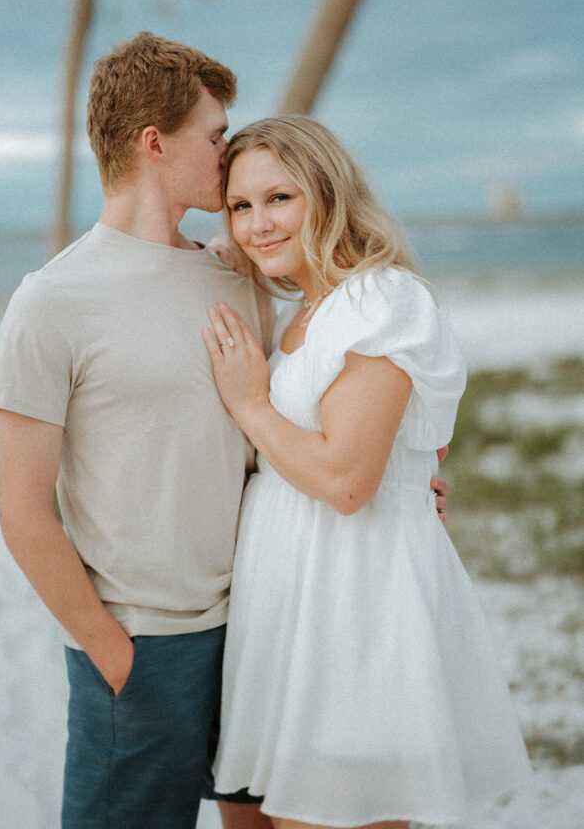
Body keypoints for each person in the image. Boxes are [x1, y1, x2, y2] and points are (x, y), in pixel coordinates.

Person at [0, 33, 449, 829]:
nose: (226, 151)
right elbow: (24, 512)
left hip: (266, 628)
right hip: (144, 650)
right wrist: (113, 655)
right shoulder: (51, 301)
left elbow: (324, 401)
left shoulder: (237, 276)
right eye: (214, 134)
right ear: (154, 144)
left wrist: (411, 476)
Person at [203, 116, 533, 829]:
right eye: (239, 206)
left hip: (352, 608)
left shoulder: (380, 300)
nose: (257, 224)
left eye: (279, 199)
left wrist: (251, 405)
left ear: (327, 194)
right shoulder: (299, 313)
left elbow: (348, 483)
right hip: (281, 609)